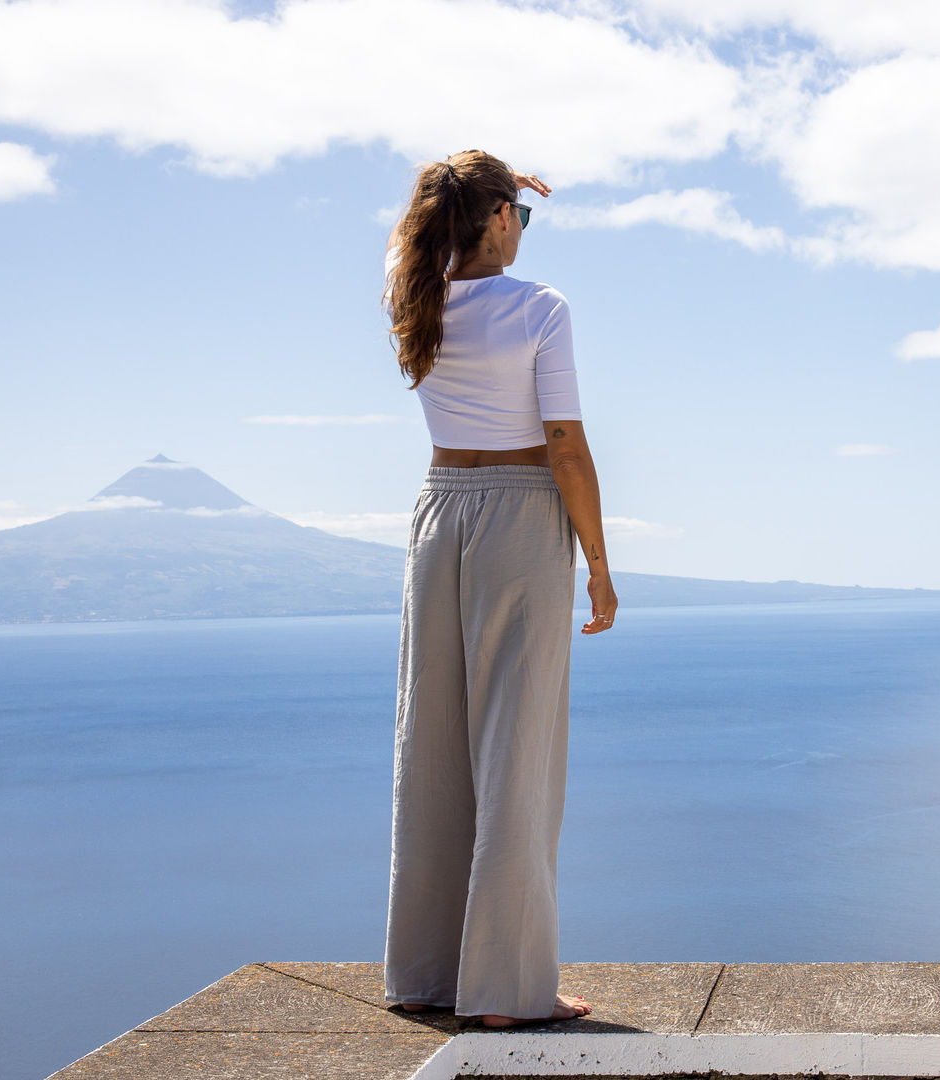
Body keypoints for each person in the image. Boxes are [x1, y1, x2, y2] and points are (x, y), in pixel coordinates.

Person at [378, 149, 618, 1028]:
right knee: (516, 748)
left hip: (438, 516)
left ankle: (426, 974)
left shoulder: (418, 304)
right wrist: (596, 561)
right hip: (520, 517)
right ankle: (508, 992)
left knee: (433, 748)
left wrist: (500, 178)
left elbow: (451, 196)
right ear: (499, 219)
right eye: (519, 211)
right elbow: (563, 442)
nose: (523, 225)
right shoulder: (540, 308)